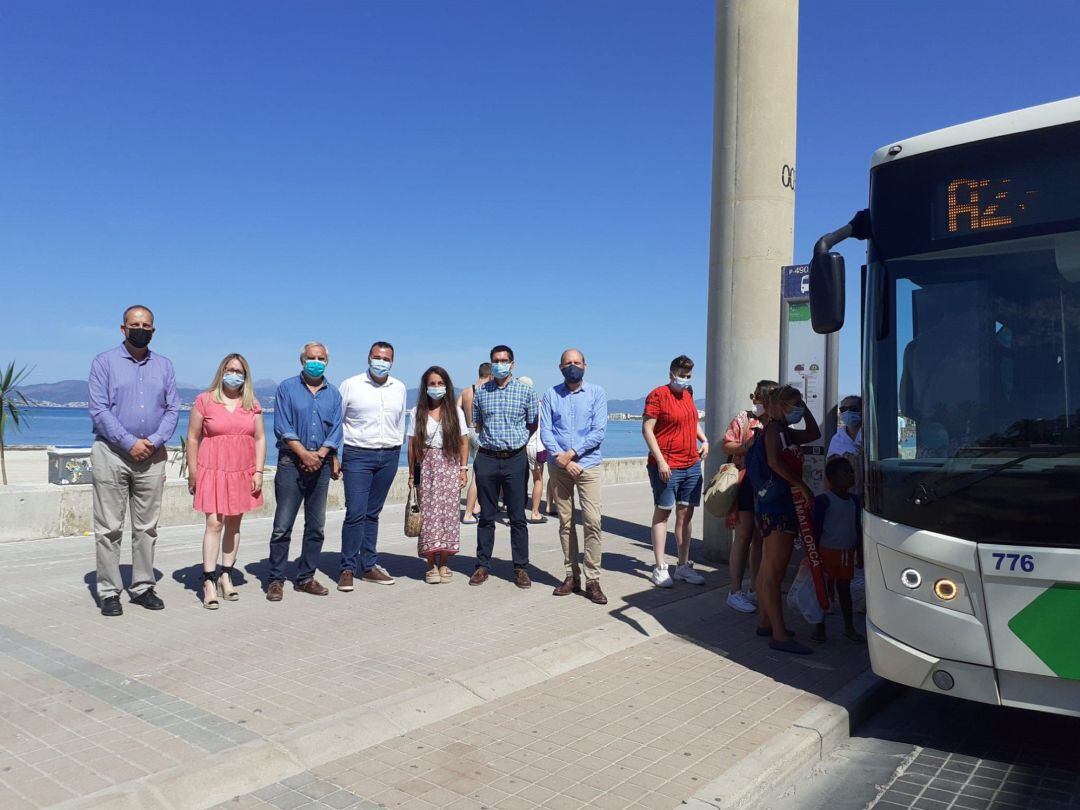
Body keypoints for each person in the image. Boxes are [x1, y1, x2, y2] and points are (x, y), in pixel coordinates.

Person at [88, 305, 179, 616]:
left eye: (146, 325)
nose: (141, 329)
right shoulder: (104, 363)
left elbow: (172, 410)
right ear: (123, 328)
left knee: (147, 528)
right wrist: (129, 443)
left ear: (153, 330)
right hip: (112, 454)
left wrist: (152, 442)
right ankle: (109, 591)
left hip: (152, 458)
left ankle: (142, 586)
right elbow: (99, 411)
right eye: (135, 324)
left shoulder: (165, 366)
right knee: (109, 528)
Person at [745, 384, 821, 655]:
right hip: (777, 508)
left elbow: (815, 433)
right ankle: (779, 634)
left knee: (769, 569)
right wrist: (800, 485)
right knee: (773, 573)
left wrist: (803, 406)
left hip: (776, 506)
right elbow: (775, 462)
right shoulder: (775, 431)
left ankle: (766, 622)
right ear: (778, 407)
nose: (798, 410)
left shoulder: (785, 431)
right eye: (793, 405)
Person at [186, 354, 267, 609]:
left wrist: (259, 471)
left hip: (241, 470)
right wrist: (193, 471)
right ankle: (208, 580)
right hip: (212, 469)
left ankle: (226, 575)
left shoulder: (251, 403)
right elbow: (192, 437)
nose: (235, 374)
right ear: (221, 372)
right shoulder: (205, 401)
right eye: (230, 370)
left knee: (234, 523)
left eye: (239, 371)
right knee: (214, 524)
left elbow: (260, 439)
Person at [265, 342, 343, 602]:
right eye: (312, 357)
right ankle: (276, 579)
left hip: (320, 465)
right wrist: (303, 453)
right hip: (290, 462)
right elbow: (282, 425)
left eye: (321, 358)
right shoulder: (286, 388)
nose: (316, 361)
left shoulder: (333, 394)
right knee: (282, 526)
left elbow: (336, 431)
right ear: (302, 359)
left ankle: (305, 577)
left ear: (327, 362)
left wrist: (321, 455)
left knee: (316, 526)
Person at [541, 349, 609, 605]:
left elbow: (598, 431)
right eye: (568, 363)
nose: (573, 366)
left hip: (588, 466)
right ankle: (572, 575)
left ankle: (593, 579)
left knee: (593, 521)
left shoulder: (597, 393)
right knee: (566, 523)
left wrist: (572, 454)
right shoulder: (550, 395)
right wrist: (562, 458)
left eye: (577, 362)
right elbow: (546, 432)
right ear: (560, 367)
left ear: (585, 366)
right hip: (559, 467)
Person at [338, 341, 406, 589]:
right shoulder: (351, 385)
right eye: (377, 357)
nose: (381, 362)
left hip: (388, 455)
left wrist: (397, 450)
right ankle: (347, 567)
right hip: (357, 455)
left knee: (372, 514)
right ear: (368, 357)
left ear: (392, 362)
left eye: (386, 358)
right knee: (355, 512)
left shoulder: (399, 388)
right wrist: (336, 456)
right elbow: (338, 421)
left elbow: (399, 422)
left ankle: (368, 565)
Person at [469, 345, 538, 588]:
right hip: (487, 458)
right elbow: (477, 425)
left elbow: (532, 424)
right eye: (496, 360)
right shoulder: (481, 392)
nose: (500, 364)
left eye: (504, 360)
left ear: (512, 364)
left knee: (517, 516)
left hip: (515, 459)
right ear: (491, 363)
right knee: (486, 516)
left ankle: (520, 567)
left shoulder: (525, 391)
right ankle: (482, 565)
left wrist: (514, 444)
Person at [642, 355, 709, 588]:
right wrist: (660, 461)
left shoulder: (688, 394)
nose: (685, 379)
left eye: (688, 376)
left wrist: (704, 440)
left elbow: (692, 422)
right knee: (663, 513)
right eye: (681, 375)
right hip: (667, 465)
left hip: (691, 464)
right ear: (671, 373)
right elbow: (648, 429)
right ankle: (660, 567)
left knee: (685, 514)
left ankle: (682, 565)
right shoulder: (658, 395)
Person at [407, 367, 469, 584]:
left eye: (439, 383)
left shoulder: (455, 412)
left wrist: (463, 470)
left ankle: (444, 562)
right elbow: (412, 444)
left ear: (447, 385)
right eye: (432, 383)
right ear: (425, 387)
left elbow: (463, 442)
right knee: (428, 515)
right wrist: (412, 474)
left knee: (449, 515)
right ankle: (430, 564)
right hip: (427, 465)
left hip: (450, 464)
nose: (436, 387)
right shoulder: (417, 412)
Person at [721, 379, 777, 613]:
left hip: (767, 484)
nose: (755, 401)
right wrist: (749, 446)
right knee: (743, 536)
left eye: (760, 398)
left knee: (760, 539)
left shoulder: (776, 422)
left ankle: (755, 587)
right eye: (754, 396)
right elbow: (727, 445)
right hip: (746, 482)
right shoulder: (744, 419)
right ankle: (735, 590)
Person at [811, 457, 865, 644]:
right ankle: (820, 627)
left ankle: (849, 627)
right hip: (826, 552)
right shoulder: (824, 501)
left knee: (844, 590)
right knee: (824, 591)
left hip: (846, 553)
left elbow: (857, 528)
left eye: (851, 471)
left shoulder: (855, 501)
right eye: (846, 472)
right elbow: (815, 529)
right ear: (832, 478)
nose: (851, 475)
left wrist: (859, 552)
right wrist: (813, 555)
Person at [458, 362, 491, 524]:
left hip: (466, 433)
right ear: (490, 375)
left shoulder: (465, 391)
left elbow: (455, 411)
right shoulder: (486, 391)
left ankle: (476, 505)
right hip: (479, 433)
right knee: (477, 475)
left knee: (469, 470)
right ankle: (469, 512)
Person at [518, 376, 549, 524]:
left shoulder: (516, 403)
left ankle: (517, 510)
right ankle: (535, 512)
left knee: (519, 480)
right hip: (536, 446)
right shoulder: (540, 404)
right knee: (538, 479)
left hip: (520, 447)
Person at [827, 394, 863, 495]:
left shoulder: (871, 437)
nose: (848, 412)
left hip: (869, 497)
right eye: (843, 409)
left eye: (853, 408)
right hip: (845, 496)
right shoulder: (837, 439)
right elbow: (829, 470)